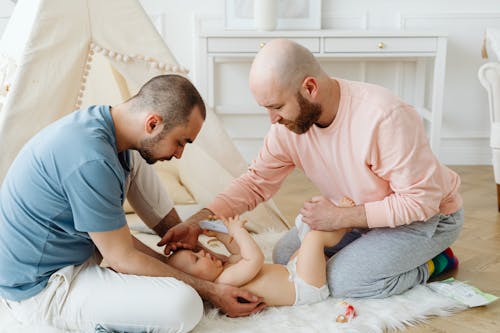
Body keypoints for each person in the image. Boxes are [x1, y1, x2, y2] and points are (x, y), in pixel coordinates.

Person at [159, 39, 464, 299]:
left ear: (309, 87)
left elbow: (421, 202)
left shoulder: (384, 117)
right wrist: (200, 220)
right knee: (283, 256)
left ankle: (435, 262)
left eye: (276, 106)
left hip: (429, 217)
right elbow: (255, 183)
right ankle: (371, 250)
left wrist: (341, 217)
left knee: (342, 281)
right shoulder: (288, 128)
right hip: (360, 216)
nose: (272, 120)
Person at [0, 74, 264, 333]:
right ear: (152, 123)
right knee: (186, 304)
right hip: (40, 289)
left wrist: (188, 250)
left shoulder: (107, 126)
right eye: (180, 142)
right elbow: (121, 257)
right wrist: (211, 290)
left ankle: (180, 243)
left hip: (76, 253)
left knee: (136, 157)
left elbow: (118, 245)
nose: (179, 154)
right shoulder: (92, 159)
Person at [168, 197, 354, 307]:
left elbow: (238, 253)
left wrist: (222, 235)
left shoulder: (227, 270)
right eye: (196, 259)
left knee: (305, 235)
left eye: (198, 252)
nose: (204, 253)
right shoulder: (224, 281)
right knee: (314, 238)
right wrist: (238, 231)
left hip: (293, 272)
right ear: (195, 281)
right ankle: (343, 224)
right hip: (304, 287)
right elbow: (253, 259)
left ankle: (333, 230)